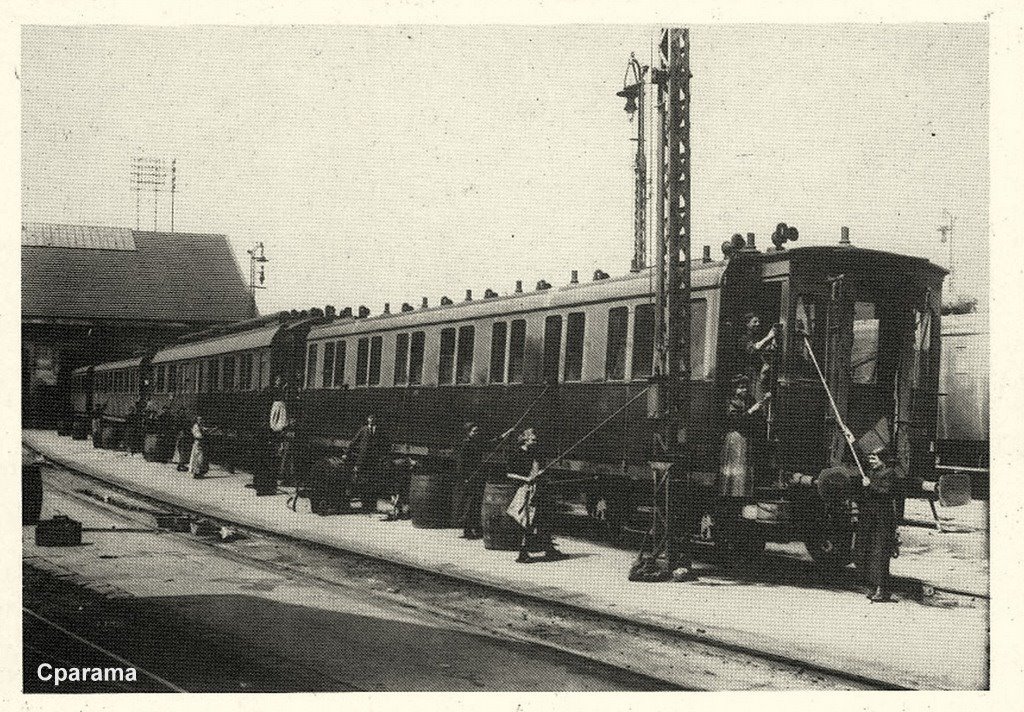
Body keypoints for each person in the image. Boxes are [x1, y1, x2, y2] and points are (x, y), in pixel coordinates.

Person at [507, 428, 564, 563]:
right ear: (525, 439)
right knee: (527, 520)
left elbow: (538, 469)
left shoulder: (535, 453)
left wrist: (541, 473)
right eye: (533, 439)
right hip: (526, 490)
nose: (535, 441)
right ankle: (523, 553)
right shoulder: (517, 454)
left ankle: (549, 549)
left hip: (539, 490)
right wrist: (526, 479)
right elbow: (509, 474)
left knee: (544, 518)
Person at [857, 445, 899, 602]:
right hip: (870, 519)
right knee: (869, 552)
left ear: (882, 460)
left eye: (874, 459)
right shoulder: (871, 473)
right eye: (870, 459)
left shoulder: (890, 474)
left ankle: (883, 590)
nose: (871, 462)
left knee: (880, 554)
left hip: (883, 520)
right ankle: (874, 586)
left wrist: (870, 486)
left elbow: (886, 492)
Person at [719, 375, 771, 496]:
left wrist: (763, 402)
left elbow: (756, 416)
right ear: (734, 389)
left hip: (746, 438)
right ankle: (732, 495)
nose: (744, 390)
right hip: (735, 439)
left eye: (745, 387)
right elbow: (737, 422)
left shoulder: (749, 400)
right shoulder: (731, 403)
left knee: (744, 468)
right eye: (741, 387)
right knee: (736, 468)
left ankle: (743, 495)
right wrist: (751, 410)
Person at [345, 413, 391, 514]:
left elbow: (386, 443)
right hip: (363, 460)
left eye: (373, 418)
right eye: (370, 418)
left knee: (373, 483)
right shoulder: (363, 429)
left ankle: (372, 506)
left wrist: (383, 455)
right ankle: (364, 505)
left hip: (374, 461)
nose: (371, 420)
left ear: (376, 420)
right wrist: (347, 452)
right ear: (367, 419)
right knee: (362, 482)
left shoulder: (380, 431)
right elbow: (354, 441)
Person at [455, 422, 487, 539]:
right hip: (469, 478)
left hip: (475, 477)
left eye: (477, 431)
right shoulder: (466, 445)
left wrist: (504, 435)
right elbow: (461, 463)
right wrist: (464, 478)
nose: (476, 433)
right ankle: (468, 530)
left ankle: (473, 529)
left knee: (474, 503)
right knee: (469, 504)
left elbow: (489, 444)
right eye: (474, 431)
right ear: (468, 432)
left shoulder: (476, 443)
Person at [737, 313, 778, 402]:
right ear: (747, 324)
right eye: (754, 322)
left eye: (758, 321)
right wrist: (769, 337)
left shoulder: (755, 338)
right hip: (749, 377)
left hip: (758, 375)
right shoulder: (743, 339)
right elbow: (753, 349)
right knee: (756, 402)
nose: (758, 324)